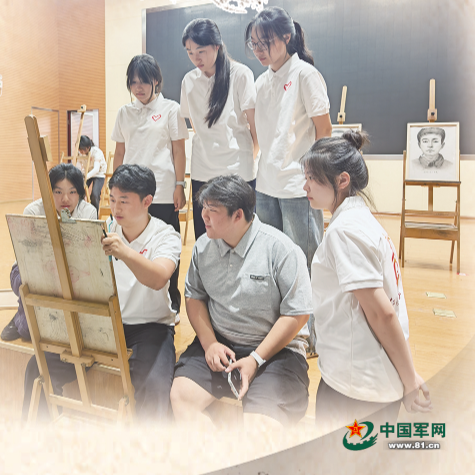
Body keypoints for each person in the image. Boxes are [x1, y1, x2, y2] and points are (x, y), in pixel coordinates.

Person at [22, 164, 182, 424]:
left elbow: (158, 278)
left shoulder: (165, 235)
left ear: (147, 201)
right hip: (103, 322)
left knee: (154, 389)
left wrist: (124, 252)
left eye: (124, 201)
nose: (116, 208)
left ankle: (148, 448)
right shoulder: (102, 227)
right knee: (38, 367)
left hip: (150, 327)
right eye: (112, 199)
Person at [301, 131, 432, 429]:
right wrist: (407, 374)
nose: (305, 186)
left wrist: (409, 381)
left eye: (312, 178)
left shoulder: (346, 230)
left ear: (342, 180)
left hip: (357, 387)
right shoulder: (359, 219)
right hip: (365, 377)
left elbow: (382, 313)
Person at [170, 175, 311, 429]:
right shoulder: (203, 246)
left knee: (260, 427)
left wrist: (256, 358)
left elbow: (297, 314)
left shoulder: (281, 249)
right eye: (204, 208)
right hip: (221, 345)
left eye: (212, 211)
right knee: (180, 397)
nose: (203, 216)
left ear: (238, 215)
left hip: (276, 352)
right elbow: (194, 296)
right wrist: (210, 344)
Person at [245, 6, 332, 354]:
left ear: (286, 37)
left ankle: (313, 335)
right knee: (274, 261)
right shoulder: (260, 82)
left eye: (265, 42)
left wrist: (318, 179)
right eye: (254, 44)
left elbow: (324, 130)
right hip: (267, 184)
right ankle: (284, 330)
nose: (259, 50)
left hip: (300, 186)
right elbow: (260, 137)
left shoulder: (306, 75)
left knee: (306, 262)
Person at [112, 54, 188, 316]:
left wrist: (180, 184)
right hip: (130, 194)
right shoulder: (125, 113)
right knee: (130, 246)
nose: (139, 88)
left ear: (156, 80)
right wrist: (115, 190)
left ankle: (172, 300)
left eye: (144, 81)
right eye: (133, 82)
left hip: (163, 191)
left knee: (166, 247)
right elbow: (119, 152)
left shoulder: (171, 109)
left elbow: (179, 151)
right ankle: (133, 301)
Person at [181, 18, 259, 240]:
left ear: (217, 46)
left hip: (237, 170)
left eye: (201, 51)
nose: (196, 58)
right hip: (202, 169)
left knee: (240, 237)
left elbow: (255, 126)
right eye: (190, 52)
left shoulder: (240, 74)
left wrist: (250, 157)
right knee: (205, 237)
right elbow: (195, 124)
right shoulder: (189, 81)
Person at [0, 163, 97, 342]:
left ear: (80, 193)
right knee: (28, 332)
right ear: (48, 191)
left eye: (72, 192)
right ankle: (22, 313)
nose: (65, 198)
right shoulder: (33, 211)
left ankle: (38, 312)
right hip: (33, 271)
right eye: (58, 192)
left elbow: (85, 257)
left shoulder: (88, 212)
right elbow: (29, 259)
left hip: (69, 271)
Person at [77, 135, 107, 212]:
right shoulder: (79, 153)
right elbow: (79, 166)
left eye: (82, 149)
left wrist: (85, 177)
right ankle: (81, 211)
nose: (81, 151)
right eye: (79, 149)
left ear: (88, 147)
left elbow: (96, 169)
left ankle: (94, 214)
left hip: (99, 174)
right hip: (87, 173)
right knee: (79, 191)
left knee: (94, 194)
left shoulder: (96, 152)